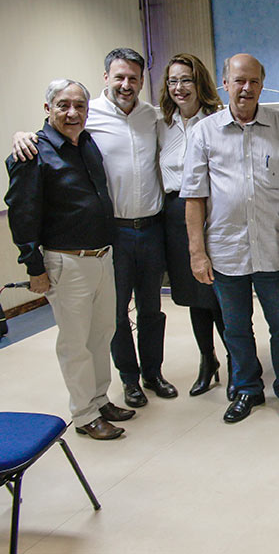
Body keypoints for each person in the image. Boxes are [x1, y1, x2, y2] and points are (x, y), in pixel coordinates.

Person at [12, 48, 176, 408]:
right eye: (119, 77)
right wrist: (21, 134)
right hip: (111, 233)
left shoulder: (152, 117)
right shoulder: (88, 117)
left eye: (133, 78)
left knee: (151, 309)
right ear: (106, 77)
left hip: (150, 228)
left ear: (141, 81)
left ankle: (153, 373)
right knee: (114, 316)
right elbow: (48, 140)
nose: (126, 84)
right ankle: (128, 381)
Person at [5, 79, 135, 439]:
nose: (72, 112)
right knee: (75, 342)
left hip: (101, 255)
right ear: (47, 109)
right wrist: (34, 268)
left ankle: (98, 399)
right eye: (63, 105)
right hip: (66, 261)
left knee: (101, 333)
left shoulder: (87, 144)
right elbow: (22, 213)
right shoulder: (33, 152)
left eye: (79, 105)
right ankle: (84, 415)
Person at [182, 53, 279, 425]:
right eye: (239, 81)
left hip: (276, 245)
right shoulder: (204, 132)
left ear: (262, 85)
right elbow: (194, 197)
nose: (246, 88)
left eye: (253, 81)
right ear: (225, 84)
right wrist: (197, 253)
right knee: (235, 328)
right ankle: (247, 389)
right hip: (226, 249)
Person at [157, 53, 229, 397]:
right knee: (192, 295)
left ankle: (239, 362)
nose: (179, 88)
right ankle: (207, 360)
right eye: (173, 81)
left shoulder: (216, 120)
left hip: (212, 212)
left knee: (218, 293)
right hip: (173, 213)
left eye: (186, 80)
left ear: (199, 82)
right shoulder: (161, 124)